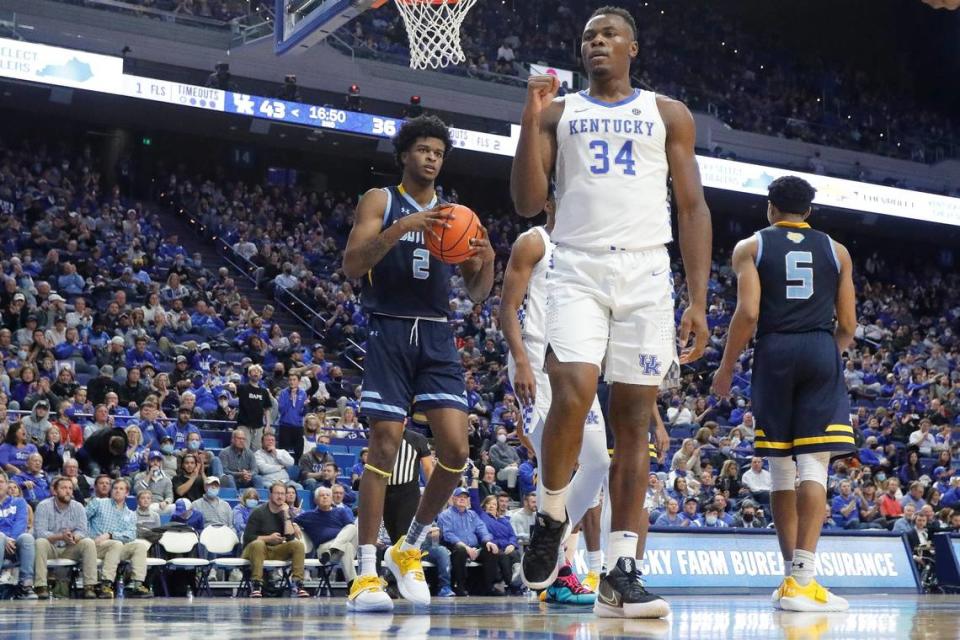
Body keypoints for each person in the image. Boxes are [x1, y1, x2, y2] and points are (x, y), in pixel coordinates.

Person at [510, 5, 710, 620]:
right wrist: (530, 115)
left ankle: (622, 571)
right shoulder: (561, 112)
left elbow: (693, 205)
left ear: (632, 47)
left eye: (608, 35)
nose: (597, 43)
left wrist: (699, 298)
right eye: (588, 37)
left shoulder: (668, 113)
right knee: (571, 392)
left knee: (633, 424)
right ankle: (550, 513)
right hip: (576, 265)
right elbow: (526, 201)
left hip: (648, 272)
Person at [341, 115, 495, 612]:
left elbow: (475, 292)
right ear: (405, 154)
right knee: (383, 446)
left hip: (436, 332)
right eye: (423, 150)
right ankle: (366, 572)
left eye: (438, 152)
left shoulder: (456, 215)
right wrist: (400, 228)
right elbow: (351, 266)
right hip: (387, 326)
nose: (431, 158)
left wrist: (486, 260)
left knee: (455, 451)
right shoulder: (380, 200)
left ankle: (406, 546)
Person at [713, 175, 857, 612]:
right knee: (814, 466)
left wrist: (725, 366)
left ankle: (789, 580)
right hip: (818, 345)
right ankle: (804, 579)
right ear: (809, 212)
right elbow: (848, 325)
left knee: (779, 468)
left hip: (774, 350)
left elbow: (749, 311)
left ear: (770, 208)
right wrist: (824, 354)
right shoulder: (837, 251)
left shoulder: (750, 247)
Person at [33, 476, 99, 599]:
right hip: (51, 548)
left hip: (70, 547)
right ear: (55, 491)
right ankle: (41, 586)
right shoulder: (43, 506)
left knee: (88, 542)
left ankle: (89, 586)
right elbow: (40, 533)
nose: (68, 491)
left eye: (70, 488)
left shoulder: (78, 506)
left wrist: (74, 537)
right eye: (64, 488)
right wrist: (60, 537)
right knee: (40, 542)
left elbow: (83, 531)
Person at [85, 478, 152, 597]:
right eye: (115, 488)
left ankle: (138, 584)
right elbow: (82, 519)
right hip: (96, 546)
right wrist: (87, 537)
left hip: (117, 547)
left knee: (139, 546)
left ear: (127, 493)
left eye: (121, 489)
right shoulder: (99, 503)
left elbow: (131, 535)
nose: (117, 491)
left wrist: (111, 535)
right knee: (116, 544)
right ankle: (106, 584)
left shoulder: (130, 514)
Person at [241, 481, 309, 598]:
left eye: (283, 494)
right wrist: (269, 538)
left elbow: (290, 538)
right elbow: (247, 538)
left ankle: (298, 584)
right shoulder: (258, 512)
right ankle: (256, 584)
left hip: (275, 550)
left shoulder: (286, 513)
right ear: (270, 495)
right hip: (254, 550)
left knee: (298, 545)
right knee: (258, 544)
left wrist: (287, 515)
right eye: (277, 493)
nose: (280, 496)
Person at [437, 487, 500, 597]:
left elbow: (482, 529)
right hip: (455, 547)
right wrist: (466, 547)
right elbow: (448, 535)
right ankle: (460, 586)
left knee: (490, 549)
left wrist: (487, 541)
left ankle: (489, 587)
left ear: (468, 500)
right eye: (459, 497)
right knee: (460, 550)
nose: (462, 499)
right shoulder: (445, 515)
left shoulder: (473, 515)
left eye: (465, 497)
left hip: (474, 547)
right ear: (453, 499)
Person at [294, 486, 358, 586]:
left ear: (331, 498)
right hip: (324, 550)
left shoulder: (340, 512)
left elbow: (351, 528)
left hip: (337, 550)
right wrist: (294, 525)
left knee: (352, 527)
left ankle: (333, 549)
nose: (325, 497)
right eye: (322, 495)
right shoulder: (308, 515)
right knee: (347, 546)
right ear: (316, 500)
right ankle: (352, 584)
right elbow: (290, 521)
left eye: (327, 495)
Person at [0, 470, 37, 598]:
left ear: (6, 484)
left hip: (14, 544)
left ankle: (25, 585)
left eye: (1, 482)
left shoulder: (19, 502)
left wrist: (11, 539)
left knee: (27, 537)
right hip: (1, 541)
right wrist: (4, 539)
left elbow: (21, 523)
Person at [236, 365, 273, 452]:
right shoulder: (242, 388)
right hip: (244, 425)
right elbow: (232, 388)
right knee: (243, 450)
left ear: (261, 376)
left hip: (258, 427)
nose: (256, 372)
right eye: (253, 371)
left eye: (258, 371)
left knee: (257, 451)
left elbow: (267, 409)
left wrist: (267, 425)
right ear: (249, 374)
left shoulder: (264, 392)